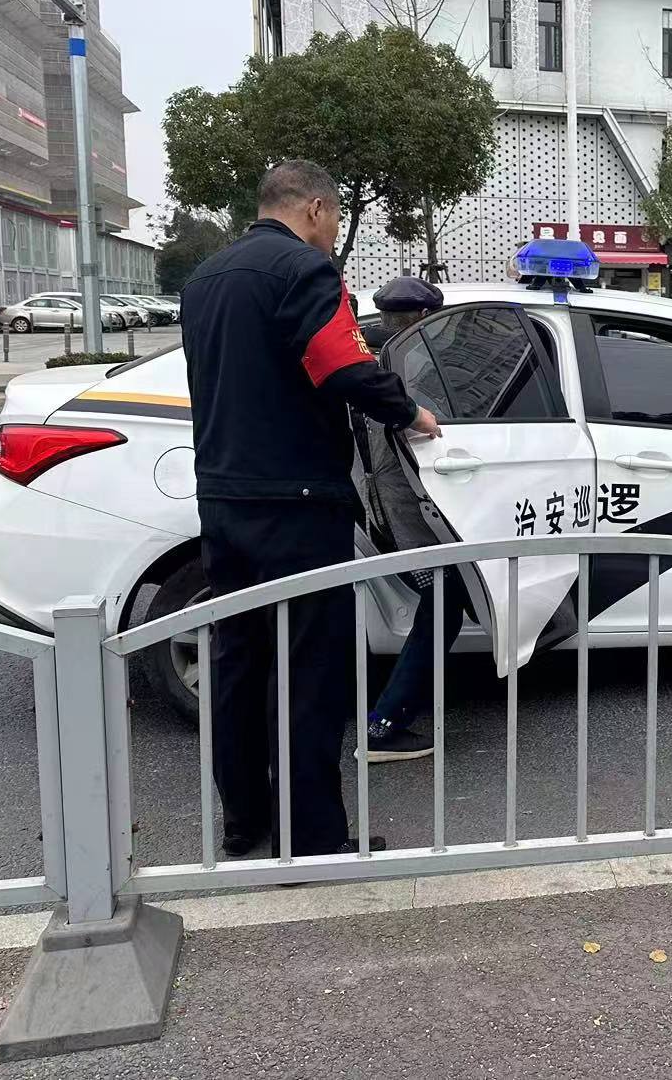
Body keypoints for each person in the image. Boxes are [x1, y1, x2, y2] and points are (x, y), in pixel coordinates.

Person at [182, 159, 441, 859]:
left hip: (224, 499)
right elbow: (343, 365)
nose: (330, 237)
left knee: (238, 665)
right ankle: (313, 839)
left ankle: (245, 826)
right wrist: (410, 411)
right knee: (309, 673)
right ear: (316, 209)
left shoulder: (205, 279)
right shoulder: (305, 271)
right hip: (297, 504)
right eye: (332, 222)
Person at [355, 274, 471, 763]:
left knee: (444, 602)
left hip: (386, 506)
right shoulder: (413, 367)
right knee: (443, 602)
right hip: (412, 513)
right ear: (424, 319)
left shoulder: (372, 357)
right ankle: (384, 725)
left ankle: (388, 716)